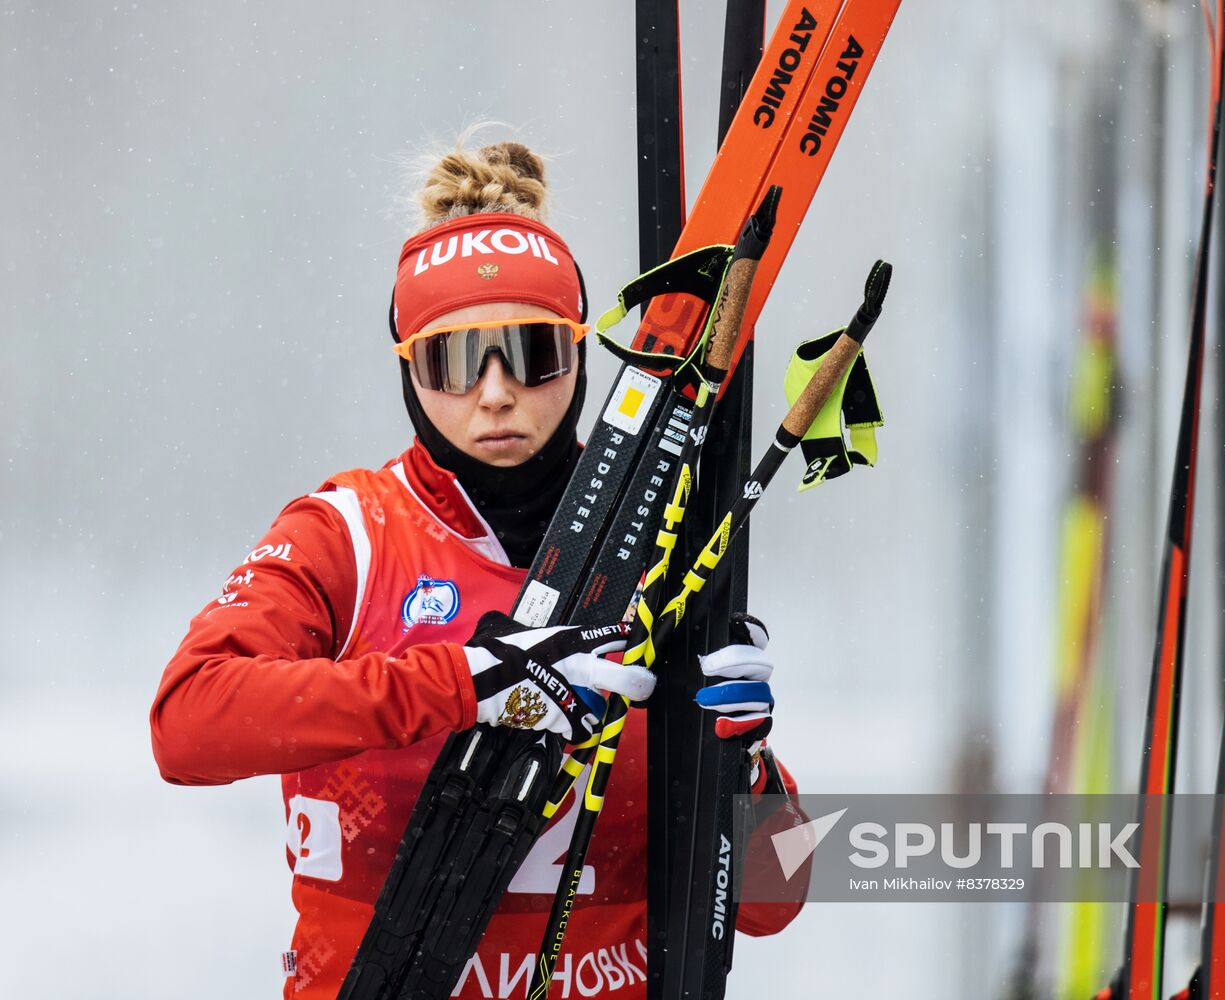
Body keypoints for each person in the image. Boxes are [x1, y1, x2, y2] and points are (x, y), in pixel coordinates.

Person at [150, 136, 804, 999]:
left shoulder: (666, 543)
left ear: (578, 354)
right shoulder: (350, 531)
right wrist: (467, 682)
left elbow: (775, 899)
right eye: (454, 359)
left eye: (530, 352)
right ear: (409, 373)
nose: (494, 392)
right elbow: (187, 726)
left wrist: (750, 763)